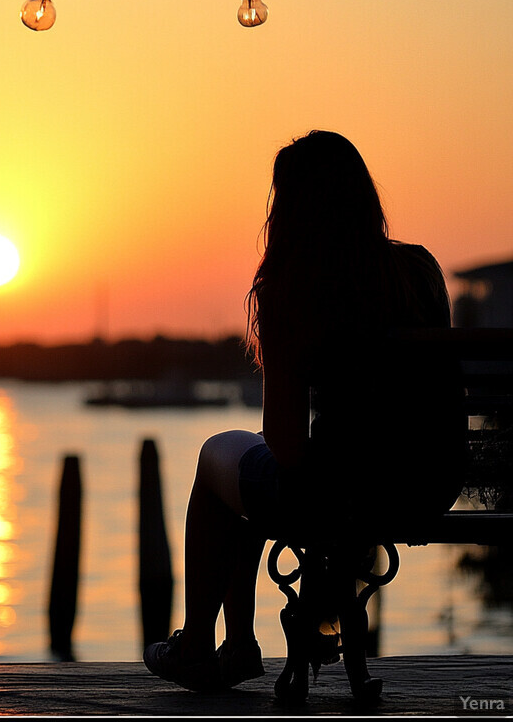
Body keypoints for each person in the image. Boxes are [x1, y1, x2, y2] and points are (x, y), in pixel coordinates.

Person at [143, 130, 468, 692]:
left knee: (221, 458)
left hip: (334, 495)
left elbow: (289, 449)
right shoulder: (419, 271)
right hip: (425, 486)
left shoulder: (290, 288)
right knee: (253, 472)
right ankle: (235, 644)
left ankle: (202, 643)